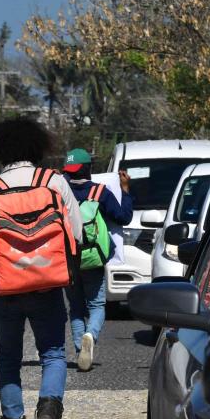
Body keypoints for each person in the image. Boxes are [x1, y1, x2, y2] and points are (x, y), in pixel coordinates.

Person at [0, 118, 83, 419]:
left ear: (0, 150)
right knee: (52, 353)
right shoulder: (54, 183)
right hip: (47, 285)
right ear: (38, 147)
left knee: (8, 358)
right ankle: (48, 411)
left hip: (6, 288)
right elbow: (75, 235)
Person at [62, 148, 133, 371]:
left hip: (68, 259)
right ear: (88, 169)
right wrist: (125, 190)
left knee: (75, 307)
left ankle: (78, 349)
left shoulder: (60, 194)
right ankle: (90, 336)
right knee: (97, 305)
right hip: (93, 257)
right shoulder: (99, 192)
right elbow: (124, 217)